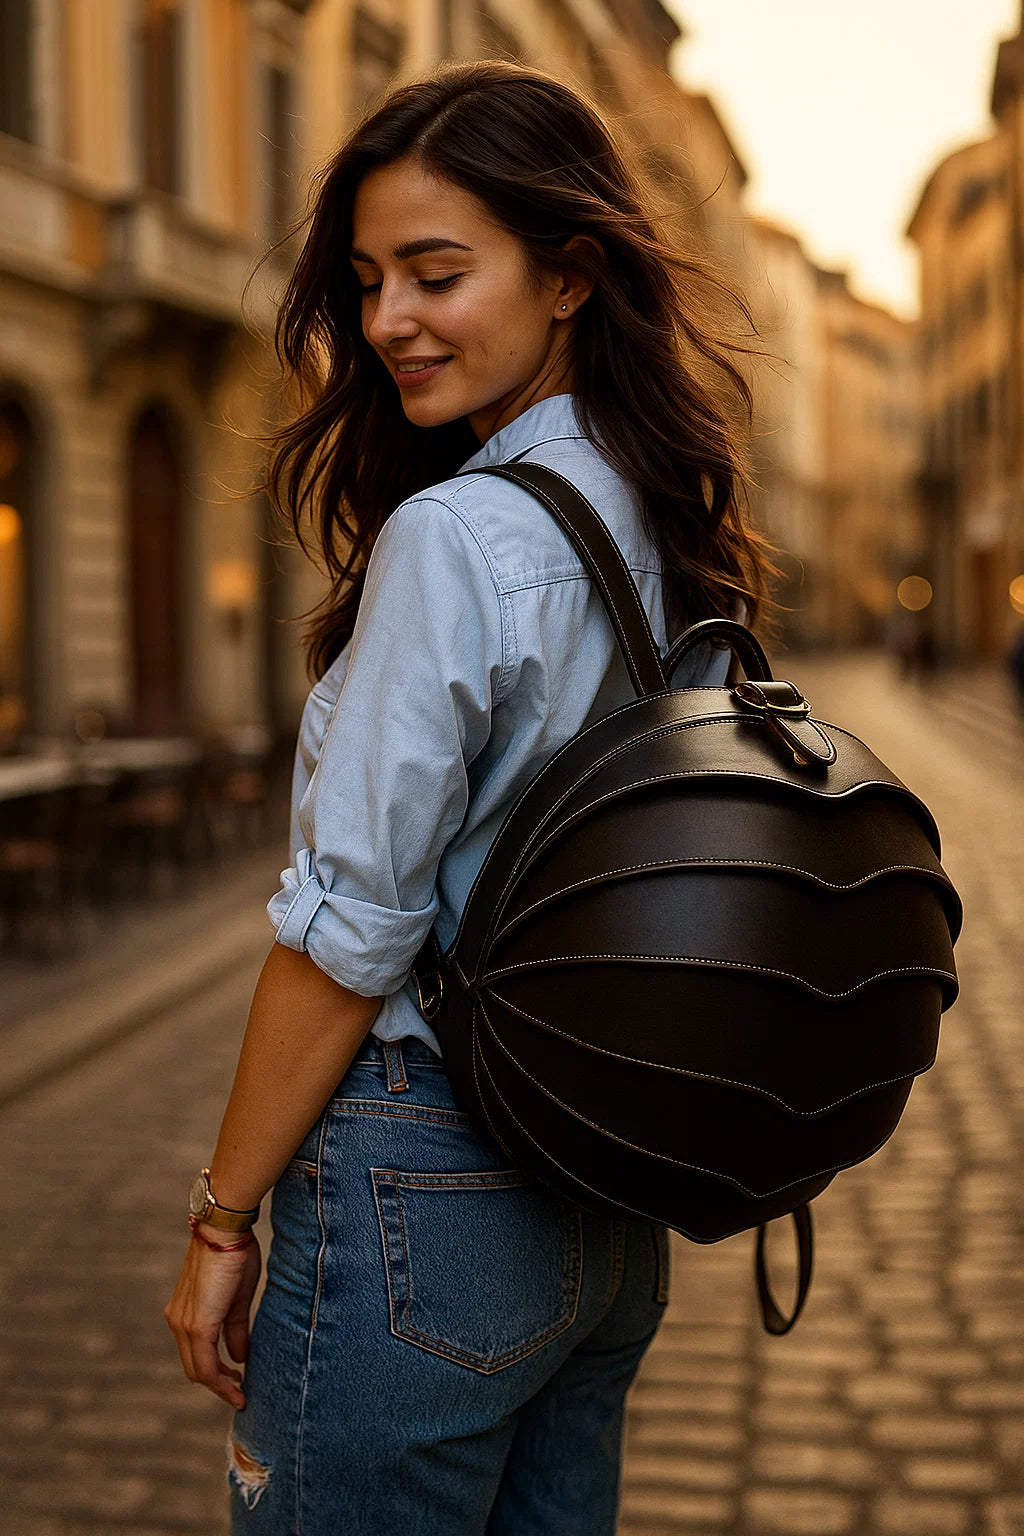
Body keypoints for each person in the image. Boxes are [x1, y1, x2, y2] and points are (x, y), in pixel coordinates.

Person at [164, 59, 776, 1534]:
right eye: (369, 279)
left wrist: (220, 1217)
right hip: (605, 1200)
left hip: (422, 1180)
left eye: (438, 274)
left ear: (571, 276)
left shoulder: (459, 536)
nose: (386, 322)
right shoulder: (665, 511)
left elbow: (348, 933)